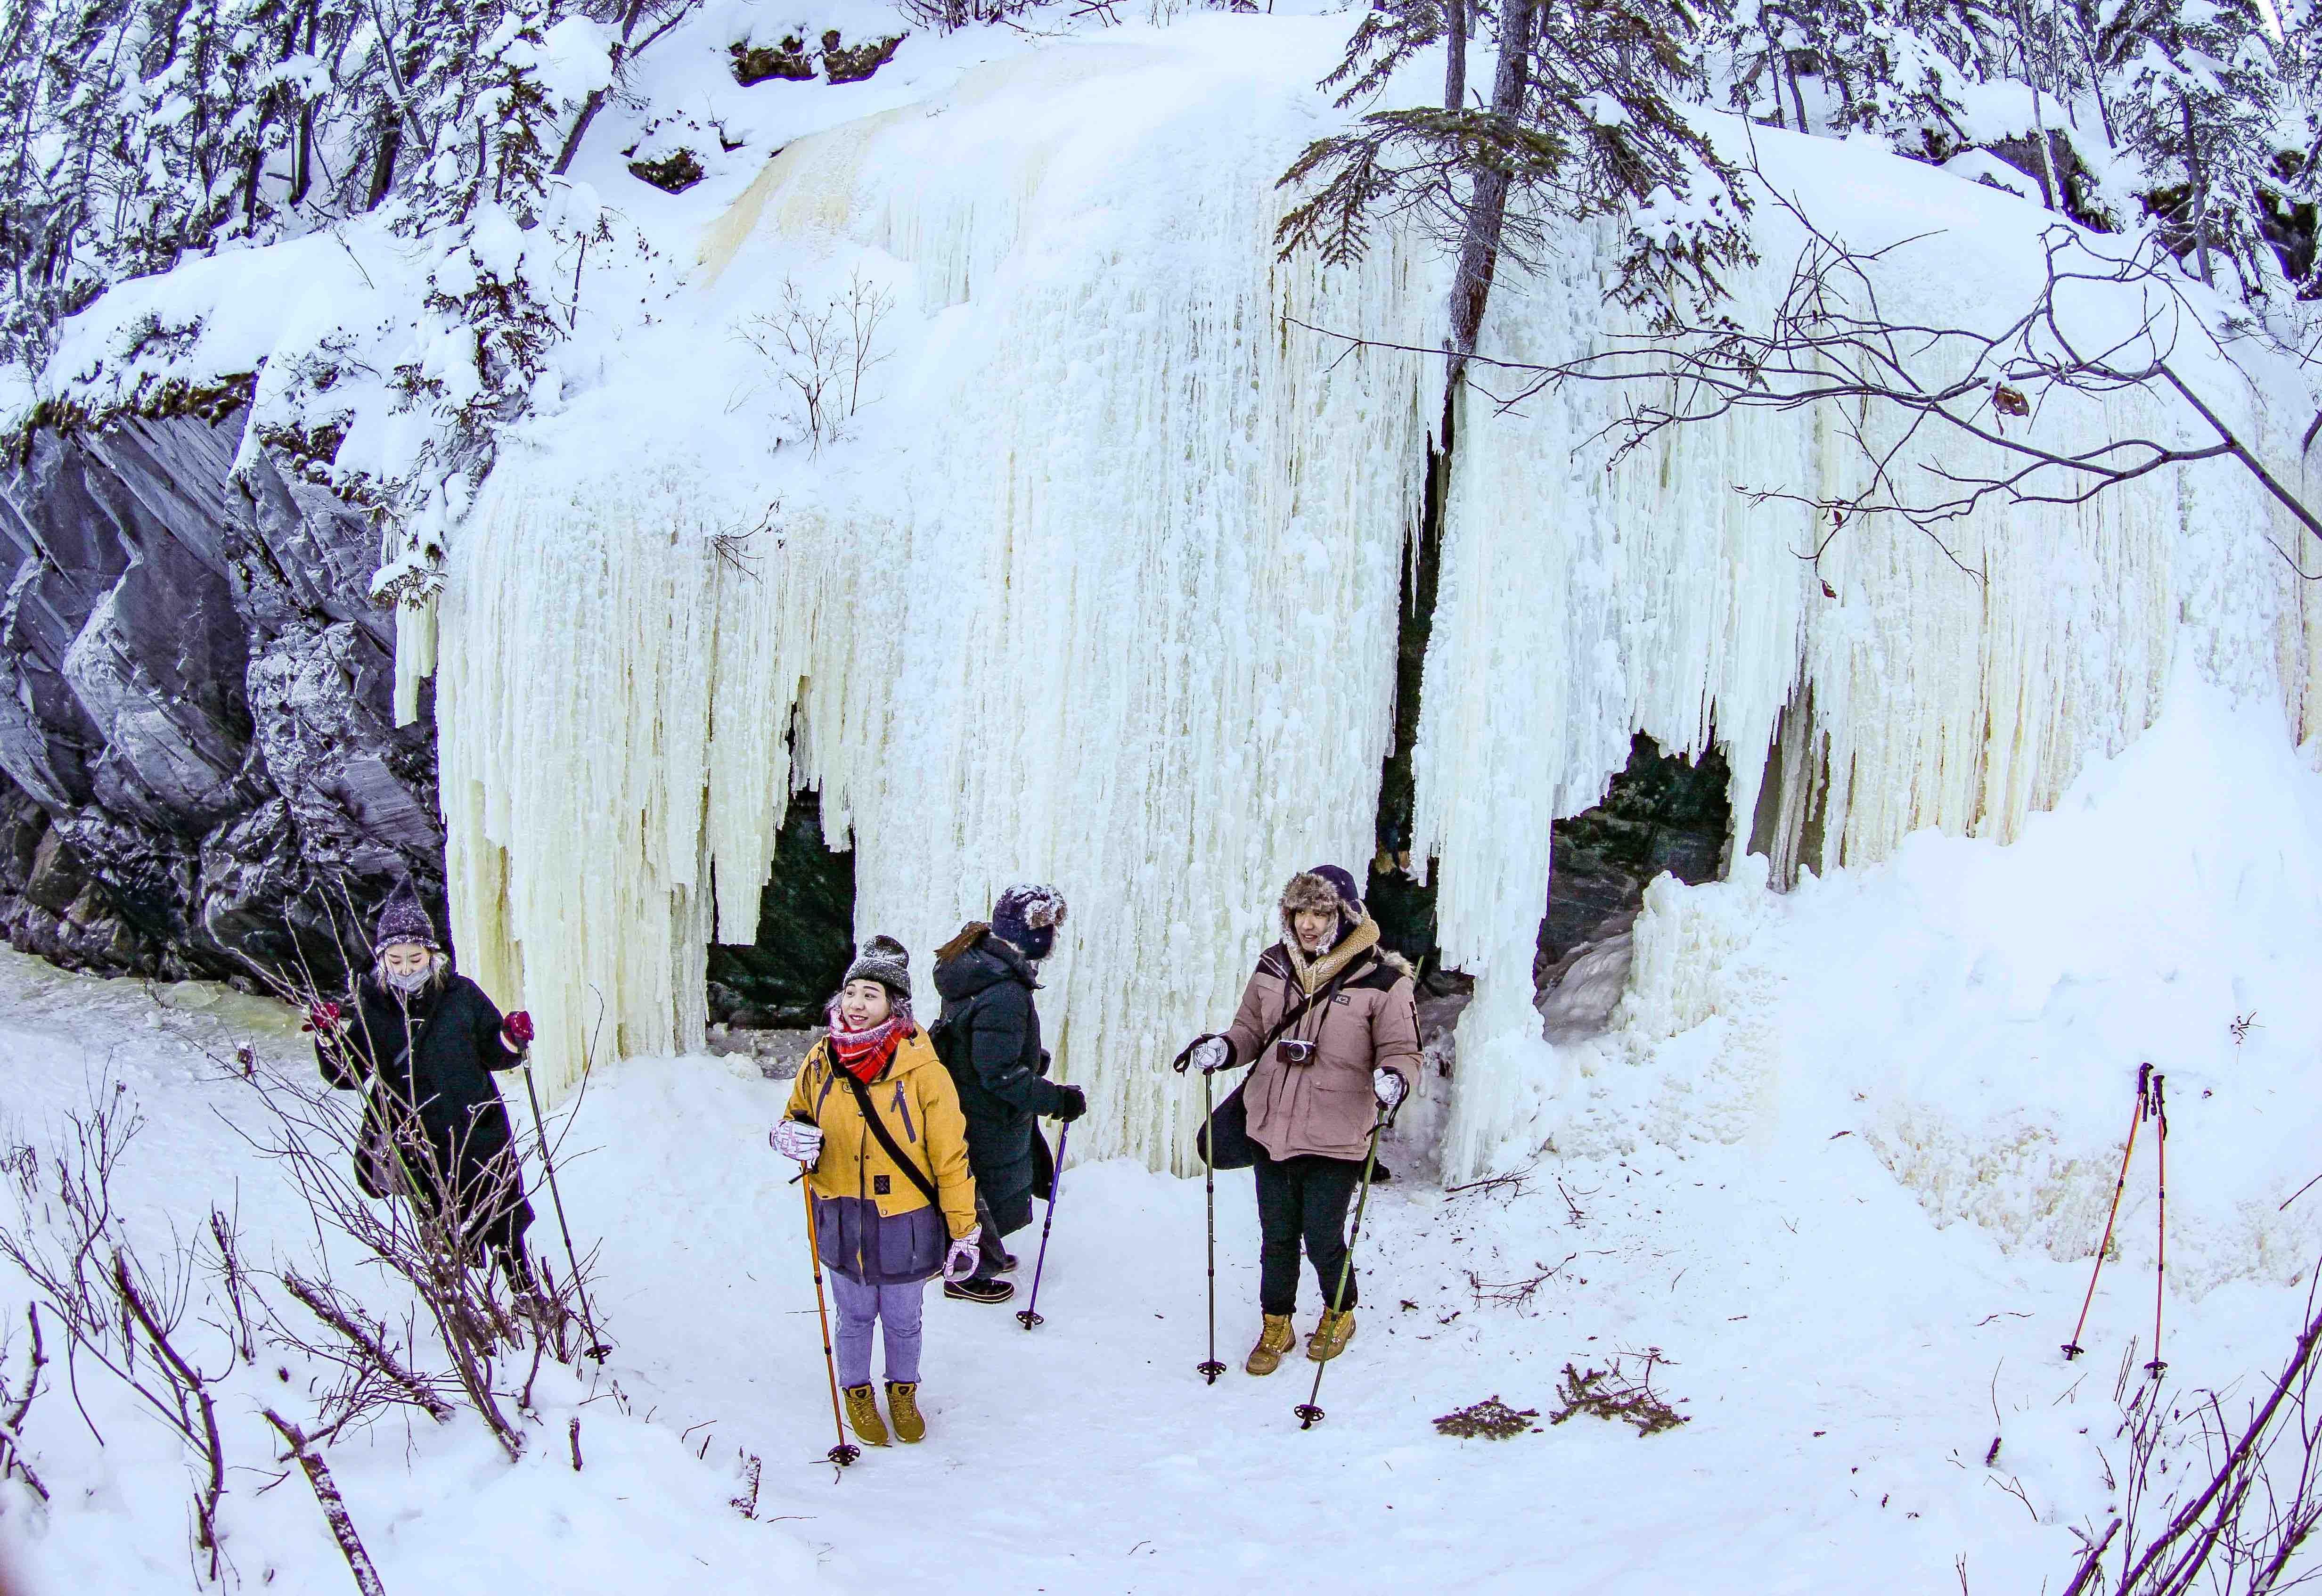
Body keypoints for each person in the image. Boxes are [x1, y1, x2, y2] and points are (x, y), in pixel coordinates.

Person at [1184, 865, 1419, 1375]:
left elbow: (1403, 1049)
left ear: (1345, 915)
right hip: (1271, 1126)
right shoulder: (1274, 965)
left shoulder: (1383, 979)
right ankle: (1277, 1323)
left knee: (1323, 1236)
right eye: (1299, 912)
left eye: (1320, 912)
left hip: (1337, 1132)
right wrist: (1223, 1048)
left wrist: (1395, 1079)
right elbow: (1250, 1030)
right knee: (1277, 1236)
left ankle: (1340, 1311)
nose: (1307, 924)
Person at [774, 936, 981, 1446]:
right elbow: (796, 1114)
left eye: (871, 995)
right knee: (854, 1316)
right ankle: (857, 1391)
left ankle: (903, 1391)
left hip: (903, 1218)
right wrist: (786, 1136)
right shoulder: (822, 1059)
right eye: (851, 992)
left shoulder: (924, 1072)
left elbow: (950, 1158)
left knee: (903, 1318)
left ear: (895, 1004)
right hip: (840, 1209)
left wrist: (963, 1230)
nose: (857, 1004)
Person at [309, 877, 539, 1293]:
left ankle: (525, 1294)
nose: (405, 968)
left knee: (503, 1218)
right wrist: (328, 1037)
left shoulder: (461, 995)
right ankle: (459, 1307)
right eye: (395, 959)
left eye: (415, 958)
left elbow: (495, 1050)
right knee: (442, 1228)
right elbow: (348, 1074)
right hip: (420, 1142)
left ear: (432, 954)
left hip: (477, 1130)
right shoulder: (375, 1008)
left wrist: (511, 1036)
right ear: (382, 958)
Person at [931, 884, 1087, 1304]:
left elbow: (978, 1043)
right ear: (1026, 934)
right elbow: (999, 1075)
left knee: (978, 1184)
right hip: (986, 1112)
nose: (1052, 938)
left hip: (967, 1102)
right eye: (1047, 929)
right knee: (984, 1187)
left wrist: (1030, 1057)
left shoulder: (980, 966)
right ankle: (967, 1274)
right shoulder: (1005, 991)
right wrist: (1057, 1100)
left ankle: (982, 1253)